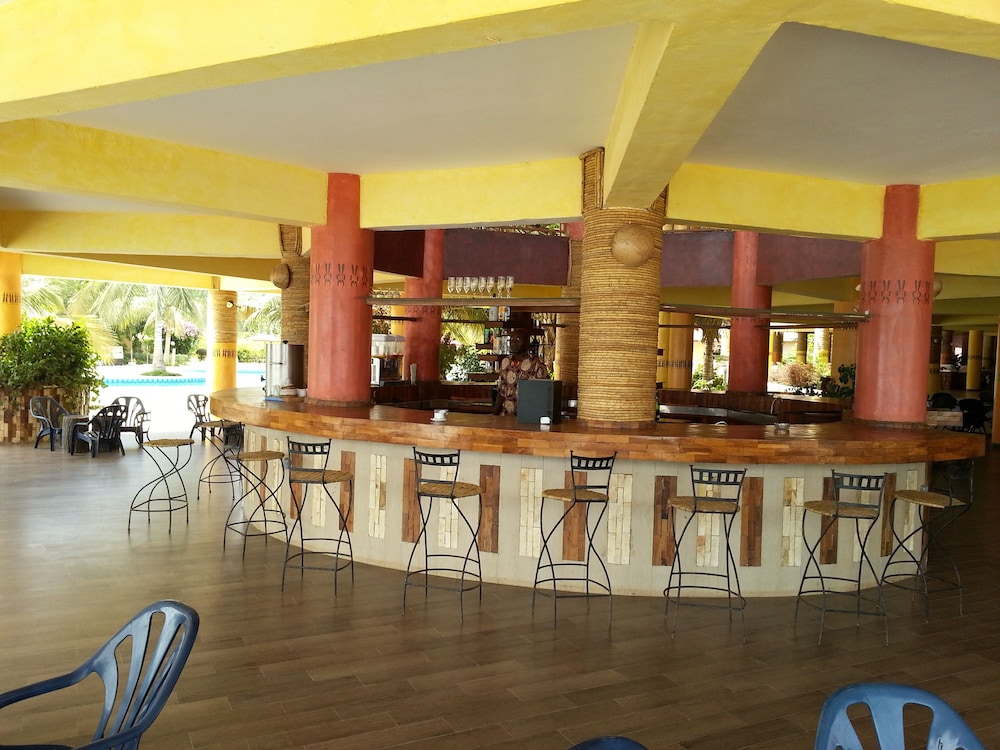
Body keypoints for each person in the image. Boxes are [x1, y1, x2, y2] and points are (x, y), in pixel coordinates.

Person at [493, 327, 549, 416]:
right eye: (512, 339)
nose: (514, 342)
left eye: (518, 339)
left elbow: (544, 392)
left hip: (527, 416)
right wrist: (495, 415)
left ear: (526, 343)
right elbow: (501, 392)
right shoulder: (505, 362)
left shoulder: (536, 363)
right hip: (506, 415)